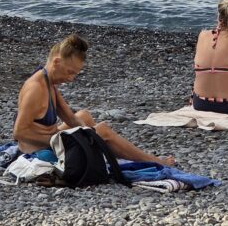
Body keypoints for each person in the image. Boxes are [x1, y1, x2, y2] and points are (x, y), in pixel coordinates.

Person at [13, 32, 174, 165]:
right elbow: (19, 132)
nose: (71, 79)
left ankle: (109, 150)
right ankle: (154, 161)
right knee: (103, 130)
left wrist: (88, 135)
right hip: (38, 151)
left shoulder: (49, 82)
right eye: (70, 72)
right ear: (56, 62)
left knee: (84, 116)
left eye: (75, 74)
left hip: (52, 141)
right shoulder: (35, 88)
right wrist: (69, 140)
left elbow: (70, 118)